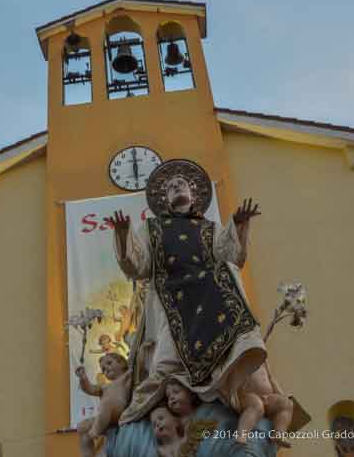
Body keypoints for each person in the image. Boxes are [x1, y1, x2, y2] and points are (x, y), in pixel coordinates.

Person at [104, 159, 266, 424]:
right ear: (165, 199)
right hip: (171, 301)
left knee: (228, 276)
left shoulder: (210, 228)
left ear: (193, 194)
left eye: (182, 184)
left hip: (209, 298)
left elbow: (232, 257)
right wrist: (123, 236)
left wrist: (238, 225)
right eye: (170, 187)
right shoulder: (151, 229)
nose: (176, 186)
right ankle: (134, 415)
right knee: (166, 365)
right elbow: (139, 266)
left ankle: (225, 389)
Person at [75, 352, 132, 457]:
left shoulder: (126, 377)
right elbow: (90, 389)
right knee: (81, 427)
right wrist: (83, 378)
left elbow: (136, 362)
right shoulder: (104, 386)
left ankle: (95, 431)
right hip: (105, 418)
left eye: (109, 363)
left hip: (119, 411)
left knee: (106, 403)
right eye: (103, 369)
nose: (106, 369)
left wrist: (141, 350)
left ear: (122, 364)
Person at [234, 362, 293, 447]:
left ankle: (279, 434)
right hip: (247, 395)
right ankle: (241, 435)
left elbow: (271, 378)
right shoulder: (240, 354)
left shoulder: (264, 359)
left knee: (287, 404)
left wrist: (282, 395)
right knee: (256, 405)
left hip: (267, 397)